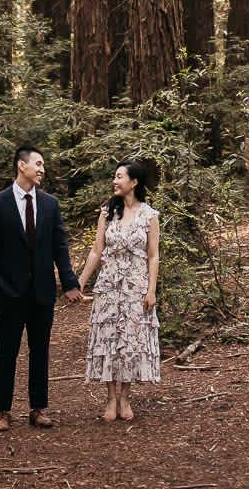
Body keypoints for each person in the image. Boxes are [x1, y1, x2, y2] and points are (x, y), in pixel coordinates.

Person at [0, 145, 82, 431]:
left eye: (43, 165)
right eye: (37, 164)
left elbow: (59, 247)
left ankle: (38, 409)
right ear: (21, 166)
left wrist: (69, 283)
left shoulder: (50, 204)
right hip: (9, 292)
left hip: (42, 292)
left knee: (40, 350)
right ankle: (2, 411)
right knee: (8, 350)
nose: (42, 169)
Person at [78, 158, 162, 422]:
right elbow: (96, 250)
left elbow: (153, 256)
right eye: (114, 177)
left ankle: (125, 396)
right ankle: (110, 397)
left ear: (134, 182)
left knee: (130, 341)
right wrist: (79, 282)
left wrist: (151, 290)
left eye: (120, 177)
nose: (115, 181)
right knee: (109, 340)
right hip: (109, 286)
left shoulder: (150, 215)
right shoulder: (107, 212)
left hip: (135, 287)